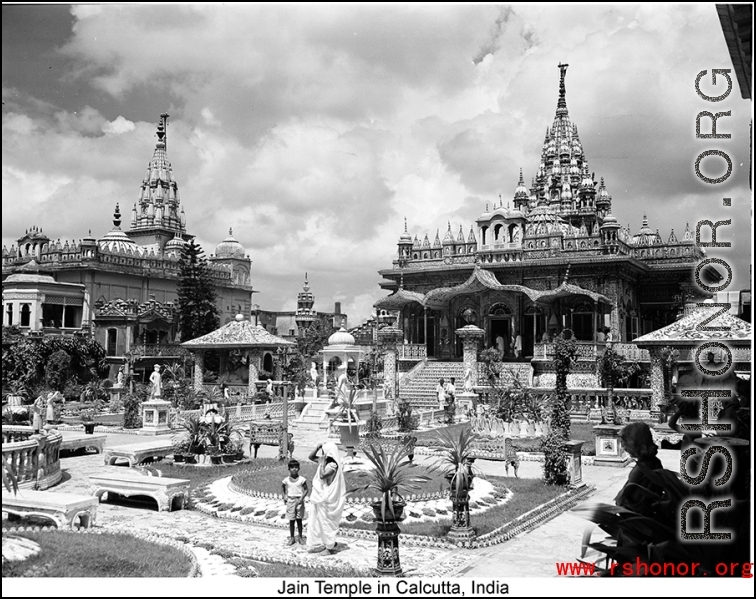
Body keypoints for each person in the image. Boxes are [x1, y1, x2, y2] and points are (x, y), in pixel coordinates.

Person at [614, 422, 664, 518]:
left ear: (634, 444)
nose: (624, 448)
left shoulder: (641, 468)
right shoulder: (656, 461)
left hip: (637, 517)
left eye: (625, 444)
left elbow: (621, 498)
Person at [307, 441, 346, 555]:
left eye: (324, 451)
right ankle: (321, 543)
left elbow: (323, 475)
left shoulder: (333, 465)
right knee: (317, 521)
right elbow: (311, 457)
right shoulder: (324, 461)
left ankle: (329, 547)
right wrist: (317, 447)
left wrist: (322, 463)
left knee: (326, 522)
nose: (323, 454)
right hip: (319, 496)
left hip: (327, 498)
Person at [282, 459, 309, 546]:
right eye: (292, 467)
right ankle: (292, 537)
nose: (294, 469)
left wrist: (301, 498)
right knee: (291, 520)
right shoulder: (286, 480)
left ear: (299, 468)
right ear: (289, 469)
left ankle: (300, 537)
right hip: (290, 500)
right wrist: (284, 496)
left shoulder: (302, 479)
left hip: (299, 501)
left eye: (296, 467)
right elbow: (283, 487)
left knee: (299, 520)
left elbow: (306, 490)